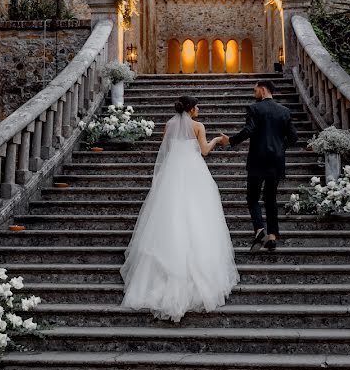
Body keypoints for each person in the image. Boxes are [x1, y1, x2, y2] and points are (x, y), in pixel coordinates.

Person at [121, 96, 239, 322]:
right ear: (191, 109)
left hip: (173, 174)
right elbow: (204, 151)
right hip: (193, 173)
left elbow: (164, 150)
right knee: (197, 217)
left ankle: (158, 277)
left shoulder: (169, 124)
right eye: (197, 106)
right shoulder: (198, 126)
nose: (199, 109)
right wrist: (215, 140)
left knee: (169, 218)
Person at [220, 80, 298, 251]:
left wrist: (230, 140)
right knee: (271, 198)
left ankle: (260, 229)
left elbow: (248, 130)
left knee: (252, 197)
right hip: (276, 161)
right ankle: (272, 236)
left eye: (255, 90)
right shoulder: (284, 111)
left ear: (263, 90)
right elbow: (293, 138)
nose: (253, 93)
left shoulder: (254, 109)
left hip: (257, 160)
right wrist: (279, 147)